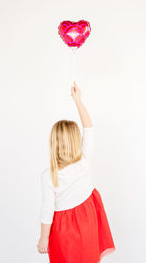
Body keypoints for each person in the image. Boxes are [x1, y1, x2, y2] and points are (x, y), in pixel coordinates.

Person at [37, 81, 115, 262]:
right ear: (75, 141)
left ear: (53, 143)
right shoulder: (83, 163)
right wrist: (78, 101)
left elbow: (47, 210)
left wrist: (43, 238)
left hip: (62, 230)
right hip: (87, 222)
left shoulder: (49, 176)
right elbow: (89, 130)